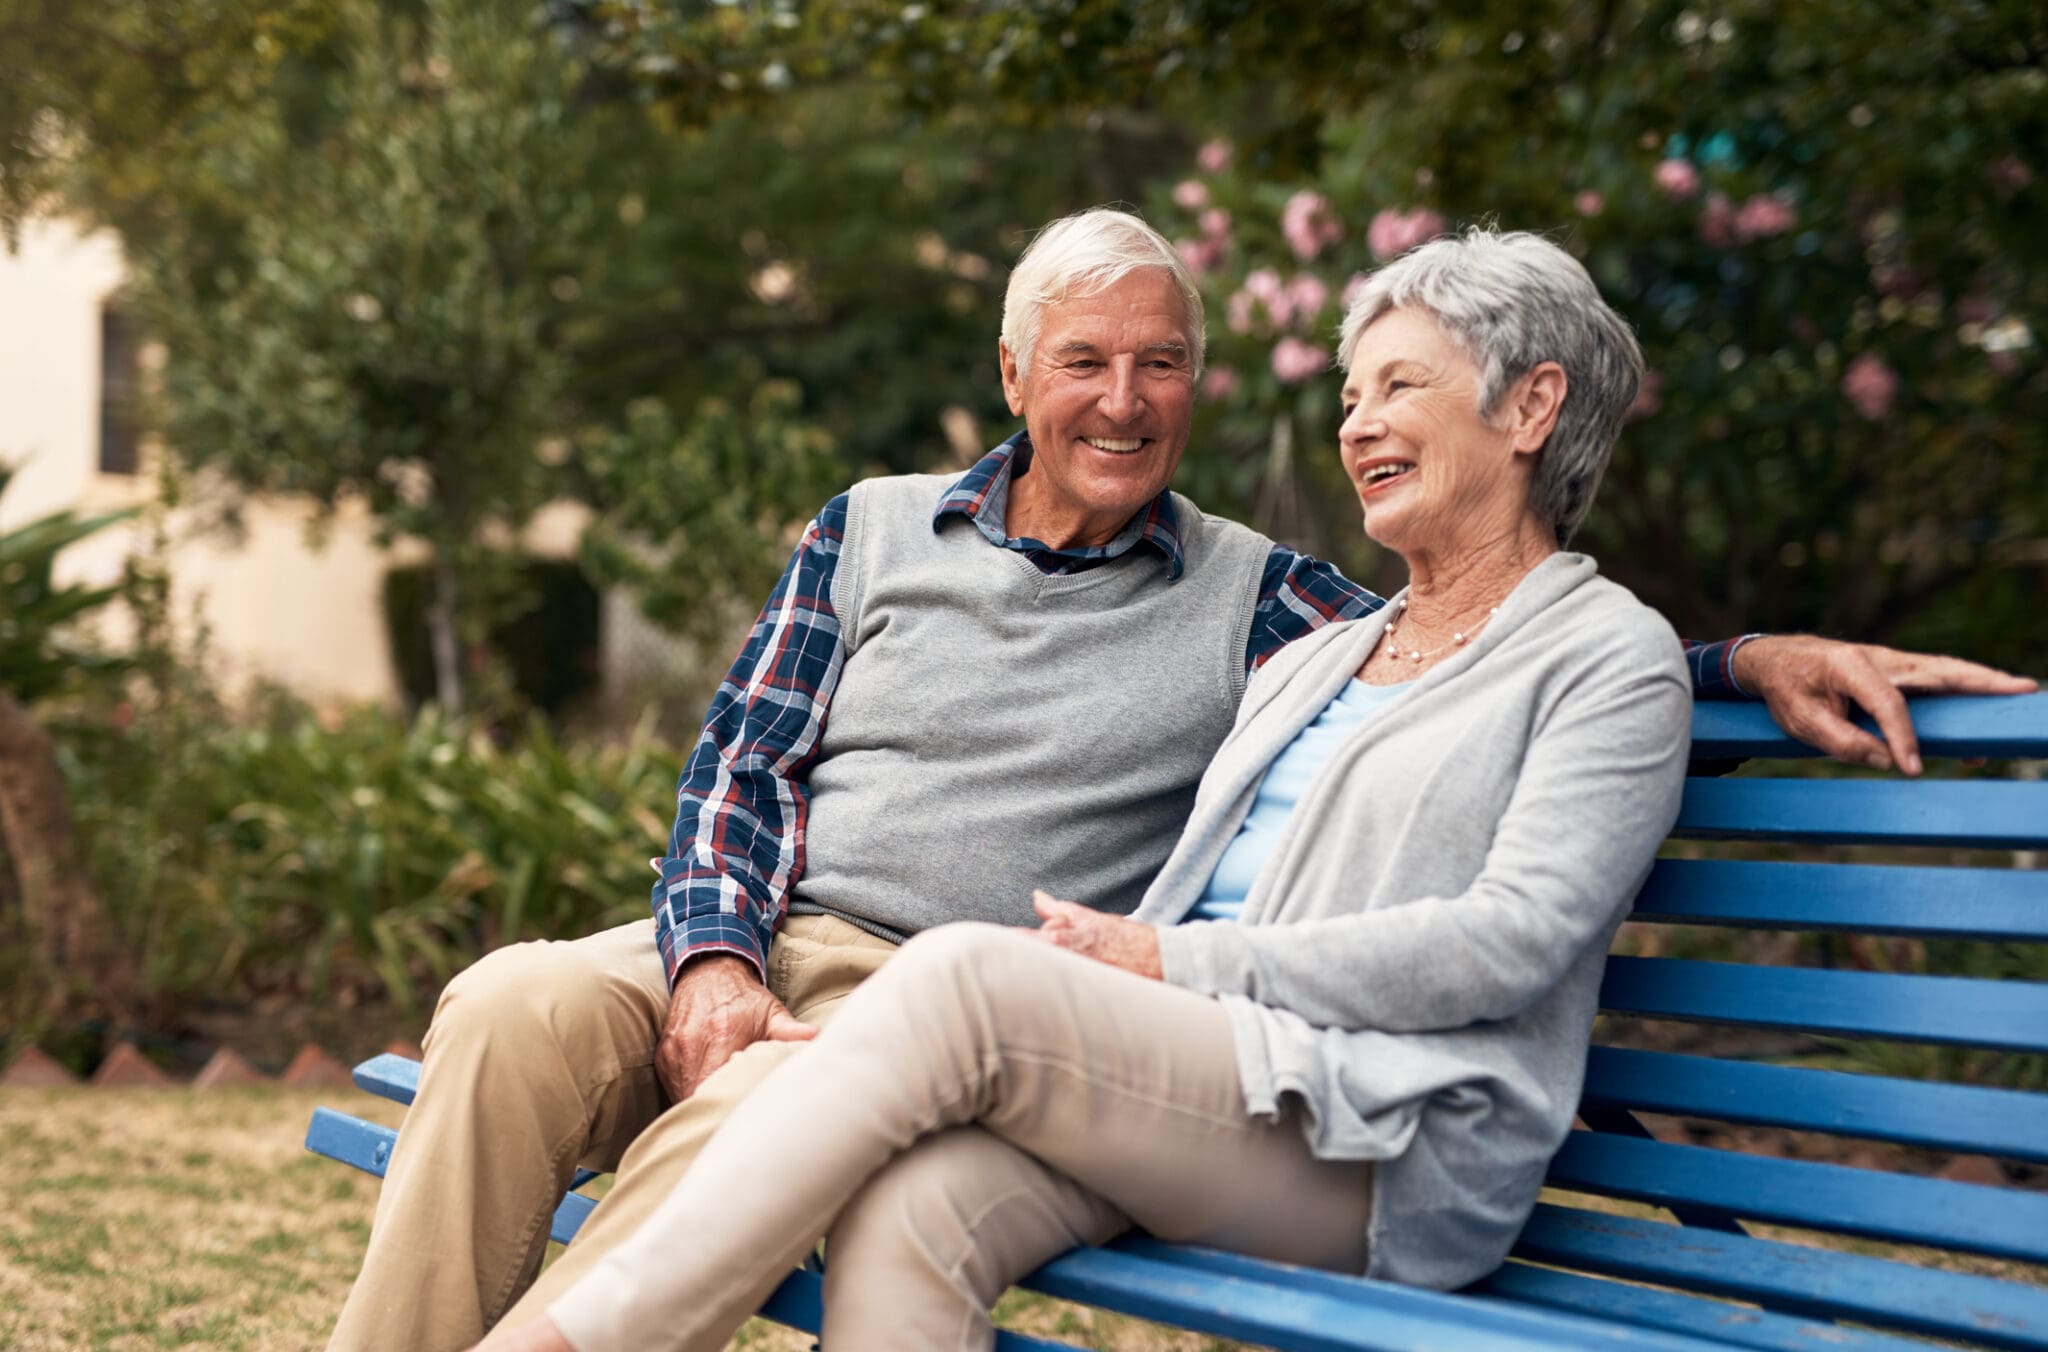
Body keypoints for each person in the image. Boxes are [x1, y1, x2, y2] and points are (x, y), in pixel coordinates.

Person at [330, 210, 2034, 1352]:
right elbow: (738, 768)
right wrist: (708, 954)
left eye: (1164, 365)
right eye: (1085, 362)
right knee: (514, 1010)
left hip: (1153, 1052)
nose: (1128, 401)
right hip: (842, 960)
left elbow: (1540, 685)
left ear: (1528, 407)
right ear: (1015, 378)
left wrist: (1736, 661)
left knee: (921, 1014)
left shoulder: (1259, 600)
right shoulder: (926, 545)